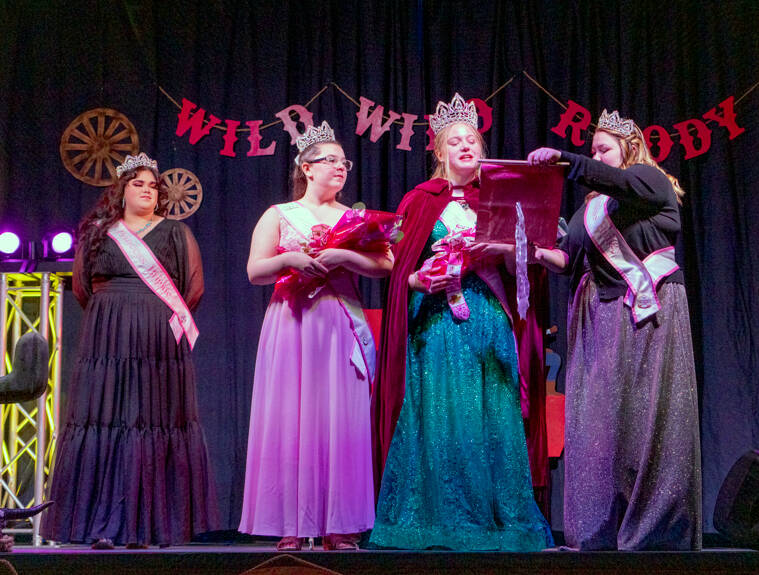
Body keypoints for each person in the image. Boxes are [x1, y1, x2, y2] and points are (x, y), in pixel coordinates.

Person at [370, 94, 553, 551]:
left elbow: (523, 272)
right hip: (435, 326)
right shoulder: (419, 200)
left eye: (473, 139)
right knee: (437, 415)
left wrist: (505, 251)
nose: (466, 146)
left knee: (492, 415)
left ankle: (496, 521)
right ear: (440, 151)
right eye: (456, 141)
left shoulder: (503, 200)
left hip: (488, 320)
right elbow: (400, 271)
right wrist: (417, 277)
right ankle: (431, 518)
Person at [528, 109, 702, 550]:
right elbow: (567, 260)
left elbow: (617, 182)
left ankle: (657, 530)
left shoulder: (649, 181)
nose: (598, 158)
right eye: (592, 152)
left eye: (604, 150)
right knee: (604, 423)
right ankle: (600, 529)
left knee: (649, 414)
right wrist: (534, 249)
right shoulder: (593, 209)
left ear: (629, 148)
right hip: (603, 317)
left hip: (649, 308)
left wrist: (566, 160)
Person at [41, 153, 219, 548]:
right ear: (121, 190)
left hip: (158, 340)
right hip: (106, 339)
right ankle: (102, 524)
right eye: (138, 184)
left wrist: (152, 319)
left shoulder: (175, 231)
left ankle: (152, 526)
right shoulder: (99, 232)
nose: (147, 191)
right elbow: (82, 287)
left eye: (153, 186)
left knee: (151, 419)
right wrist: (113, 315)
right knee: (106, 419)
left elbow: (193, 288)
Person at [239, 122, 391, 551]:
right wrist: (290, 258)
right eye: (331, 161)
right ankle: (290, 524)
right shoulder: (278, 214)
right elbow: (254, 271)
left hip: (339, 322)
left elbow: (388, 265)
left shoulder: (356, 218)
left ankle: (339, 526)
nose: (341, 168)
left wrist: (346, 255)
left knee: (341, 421)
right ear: (307, 168)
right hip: (292, 323)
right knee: (291, 419)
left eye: (345, 163)